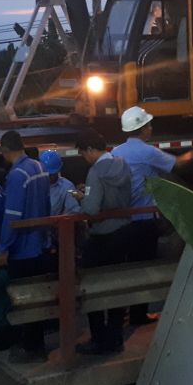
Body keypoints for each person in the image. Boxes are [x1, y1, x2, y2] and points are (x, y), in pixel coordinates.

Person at [111, 106, 189, 324]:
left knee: (129, 267)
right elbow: (178, 163)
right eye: (149, 125)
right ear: (143, 129)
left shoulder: (116, 151)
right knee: (144, 268)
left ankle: (125, 312)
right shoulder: (146, 152)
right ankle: (138, 315)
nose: (151, 128)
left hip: (124, 220)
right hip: (144, 220)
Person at [75, 129, 134, 354]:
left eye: (83, 153)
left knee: (93, 287)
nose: (84, 158)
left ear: (90, 150)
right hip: (124, 231)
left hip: (102, 237)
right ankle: (116, 336)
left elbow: (91, 209)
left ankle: (99, 338)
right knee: (117, 285)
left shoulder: (95, 172)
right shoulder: (123, 165)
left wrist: (82, 198)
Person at [0, 130, 52, 363]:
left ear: (5, 150)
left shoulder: (17, 175)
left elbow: (12, 216)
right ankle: (36, 342)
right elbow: (47, 205)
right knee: (37, 296)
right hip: (40, 244)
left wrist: (2, 247)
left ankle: (29, 346)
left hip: (23, 250)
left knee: (22, 298)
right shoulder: (39, 168)